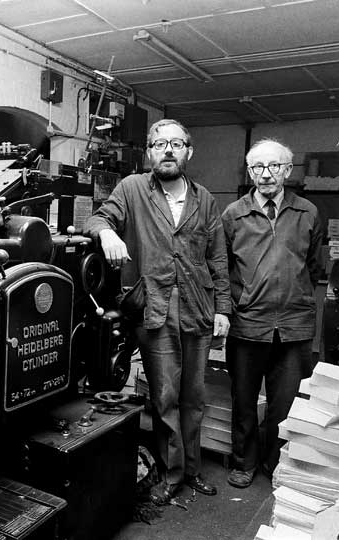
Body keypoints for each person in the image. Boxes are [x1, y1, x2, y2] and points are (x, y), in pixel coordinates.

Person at [84, 119, 231, 503]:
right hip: (155, 308)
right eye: (160, 143)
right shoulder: (132, 189)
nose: (168, 150)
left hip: (197, 309)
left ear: (189, 151)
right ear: (149, 151)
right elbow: (97, 217)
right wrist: (108, 232)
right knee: (164, 397)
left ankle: (193, 469)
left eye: (176, 144)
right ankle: (172, 473)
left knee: (194, 397)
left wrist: (223, 310)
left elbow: (217, 258)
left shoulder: (205, 199)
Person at [221, 138, 322, 489]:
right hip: (248, 324)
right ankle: (243, 462)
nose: (265, 174)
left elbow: (313, 266)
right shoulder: (233, 215)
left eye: (274, 166)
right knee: (244, 402)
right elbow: (224, 270)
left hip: (294, 326)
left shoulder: (307, 212)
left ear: (288, 170)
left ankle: (275, 463)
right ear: (249, 171)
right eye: (257, 167)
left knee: (285, 406)